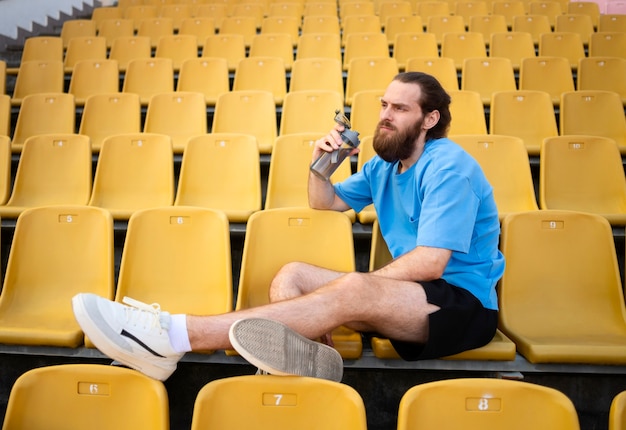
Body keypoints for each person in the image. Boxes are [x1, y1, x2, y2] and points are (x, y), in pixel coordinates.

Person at [72, 71, 505, 382]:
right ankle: (318, 367)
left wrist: (362, 292)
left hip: (461, 307)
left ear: (429, 119)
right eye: (384, 105)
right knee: (291, 274)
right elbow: (325, 203)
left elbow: (431, 264)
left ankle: (174, 334)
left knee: (353, 289)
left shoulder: (448, 167)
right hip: (411, 298)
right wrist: (322, 168)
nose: (385, 115)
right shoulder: (384, 167)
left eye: (399, 108)